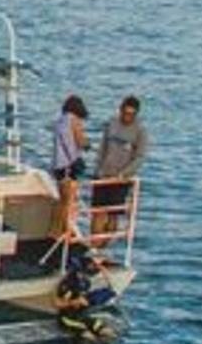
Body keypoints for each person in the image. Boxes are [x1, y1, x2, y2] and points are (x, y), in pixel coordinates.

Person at [91, 96, 149, 241]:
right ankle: (94, 245)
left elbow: (140, 157)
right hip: (104, 175)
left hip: (121, 179)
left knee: (113, 214)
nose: (127, 117)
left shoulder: (140, 131)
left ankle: (104, 245)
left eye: (131, 115)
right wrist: (98, 168)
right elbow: (102, 147)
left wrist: (124, 174)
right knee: (98, 212)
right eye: (125, 113)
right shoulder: (111, 124)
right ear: (120, 110)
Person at [51, 95, 90, 246]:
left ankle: (54, 232)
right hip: (69, 165)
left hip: (57, 165)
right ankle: (65, 233)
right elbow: (80, 141)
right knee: (69, 200)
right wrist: (88, 144)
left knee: (61, 200)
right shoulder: (74, 120)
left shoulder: (59, 121)